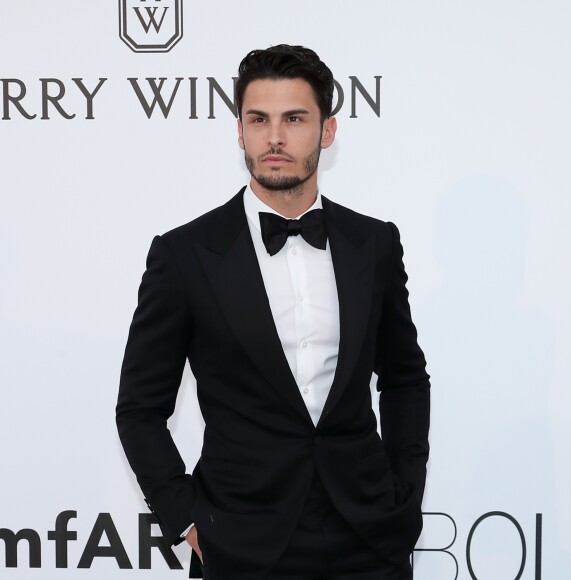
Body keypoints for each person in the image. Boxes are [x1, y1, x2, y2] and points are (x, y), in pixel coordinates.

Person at [116, 44, 430, 580]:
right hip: (242, 543)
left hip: (369, 536)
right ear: (239, 131)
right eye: (258, 120)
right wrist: (186, 518)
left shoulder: (373, 243)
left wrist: (404, 492)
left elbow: (404, 378)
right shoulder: (186, 254)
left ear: (326, 132)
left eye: (294, 119)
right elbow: (139, 409)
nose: (275, 137)